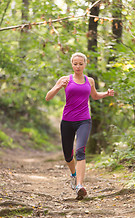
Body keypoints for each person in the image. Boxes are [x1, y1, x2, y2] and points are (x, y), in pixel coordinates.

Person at [45, 52, 114, 199]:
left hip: (84, 120)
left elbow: (94, 96)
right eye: (75, 64)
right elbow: (48, 97)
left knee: (80, 151)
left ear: (85, 64)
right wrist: (58, 87)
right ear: (72, 64)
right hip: (67, 121)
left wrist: (106, 94)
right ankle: (73, 174)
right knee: (68, 155)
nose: (78, 66)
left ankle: (79, 185)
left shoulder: (90, 81)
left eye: (80, 64)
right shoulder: (65, 80)